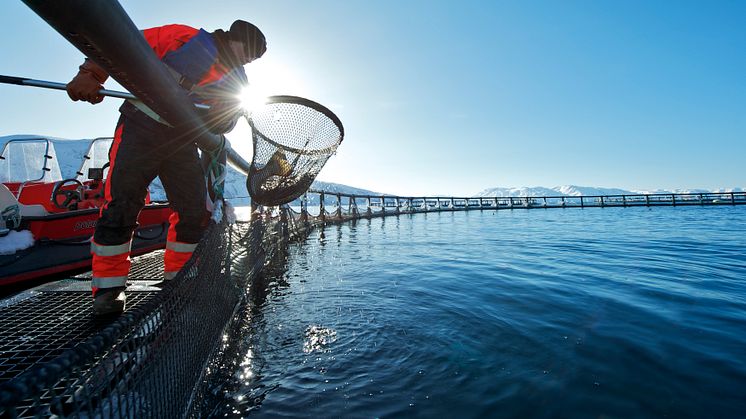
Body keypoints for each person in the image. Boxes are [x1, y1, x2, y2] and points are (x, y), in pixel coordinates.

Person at [66, 20, 267, 316]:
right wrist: (91, 74)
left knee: (192, 212)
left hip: (182, 141)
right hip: (140, 126)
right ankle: (108, 292)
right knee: (121, 205)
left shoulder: (238, 81)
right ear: (237, 40)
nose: (249, 61)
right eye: (249, 53)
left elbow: (225, 122)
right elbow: (119, 43)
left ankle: (180, 279)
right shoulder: (181, 36)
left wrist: (221, 118)